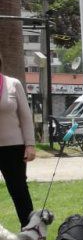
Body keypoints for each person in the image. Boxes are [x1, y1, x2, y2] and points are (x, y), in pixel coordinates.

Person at [0, 58, 36, 228]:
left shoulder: (13, 84)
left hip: (13, 148)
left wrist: (30, 144)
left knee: (19, 190)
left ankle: (31, 232)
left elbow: (26, 117)